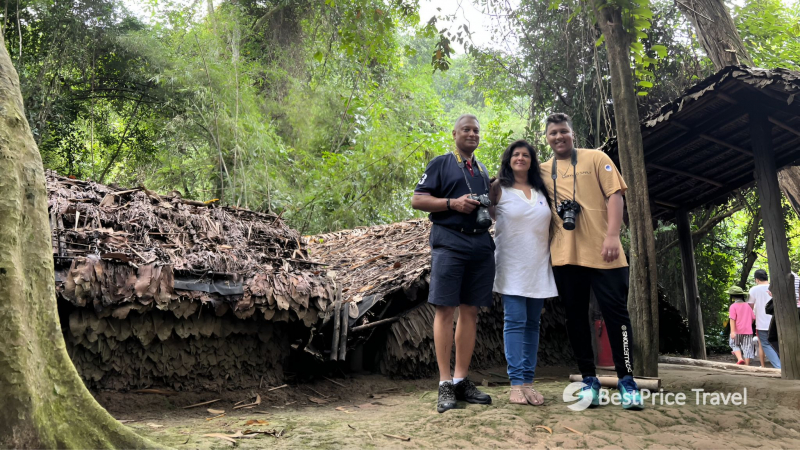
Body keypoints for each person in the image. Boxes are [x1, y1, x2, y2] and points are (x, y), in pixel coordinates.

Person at [539, 113, 643, 410]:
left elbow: (615, 196)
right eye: (552, 133)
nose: (558, 137)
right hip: (565, 257)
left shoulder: (596, 158)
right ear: (546, 138)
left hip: (604, 252)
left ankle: (627, 382)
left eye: (563, 132)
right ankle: (589, 380)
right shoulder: (543, 171)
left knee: (617, 316)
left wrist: (612, 236)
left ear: (572, 134)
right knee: (575, 318)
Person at [411, 114, 494, 413]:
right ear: (455, 133)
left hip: (480, 244)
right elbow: (417, 200)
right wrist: (453, 203)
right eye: (466, 130)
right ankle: (444, 383)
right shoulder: (441, 163)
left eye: (476, 130)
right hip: (450, 241)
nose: (472, 134)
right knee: (445, 309)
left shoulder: (482, 169)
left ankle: (461, 379)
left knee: (470, 310)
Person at [489, 140, 557, 406]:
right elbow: (486, 216)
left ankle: (528, 382)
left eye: (525, 154)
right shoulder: (498, 189)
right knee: (515, 323)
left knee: (533, 325)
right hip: (511, 265)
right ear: (509, 159)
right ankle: (516, 384)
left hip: (539, 266)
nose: (520, 158)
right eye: (515, 154)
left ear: (532, 160)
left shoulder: (543, 190)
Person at [747, 269, 781, 368]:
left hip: (761, 322)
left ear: (757, 279)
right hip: (776, 321)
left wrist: (750, 321)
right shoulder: (774, 287)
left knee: (765, 344)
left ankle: (779, 367)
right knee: (778, 343)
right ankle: (783, 365)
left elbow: (750, 307)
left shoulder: (754, 289)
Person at [728, 286, 756, 365]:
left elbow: (732, 319)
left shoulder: (733, 306)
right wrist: (747, 324)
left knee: (733, 344)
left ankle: (740, 359)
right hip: (748, 330)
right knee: (747, 347)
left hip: (737, 330)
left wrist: (733, 331)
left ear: (732, 296)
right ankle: (746, 365)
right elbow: (753, 318)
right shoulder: (747, 306)